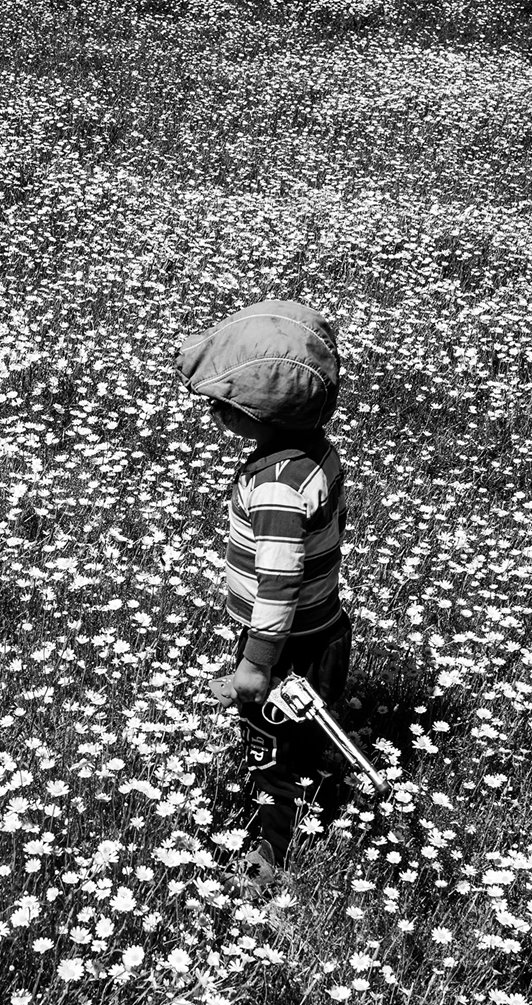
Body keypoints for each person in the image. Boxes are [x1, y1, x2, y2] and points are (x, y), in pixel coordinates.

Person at [175, 299, 352, 881]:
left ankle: (269, 857)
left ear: (262, 413)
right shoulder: (314, 453)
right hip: (321, 628)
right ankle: (310, 779)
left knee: (271, 752)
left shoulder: (275, 485)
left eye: (224, 406)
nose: (214, 414)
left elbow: (278, 583)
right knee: (299, 740)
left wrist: (255, 667)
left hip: (285, 646)